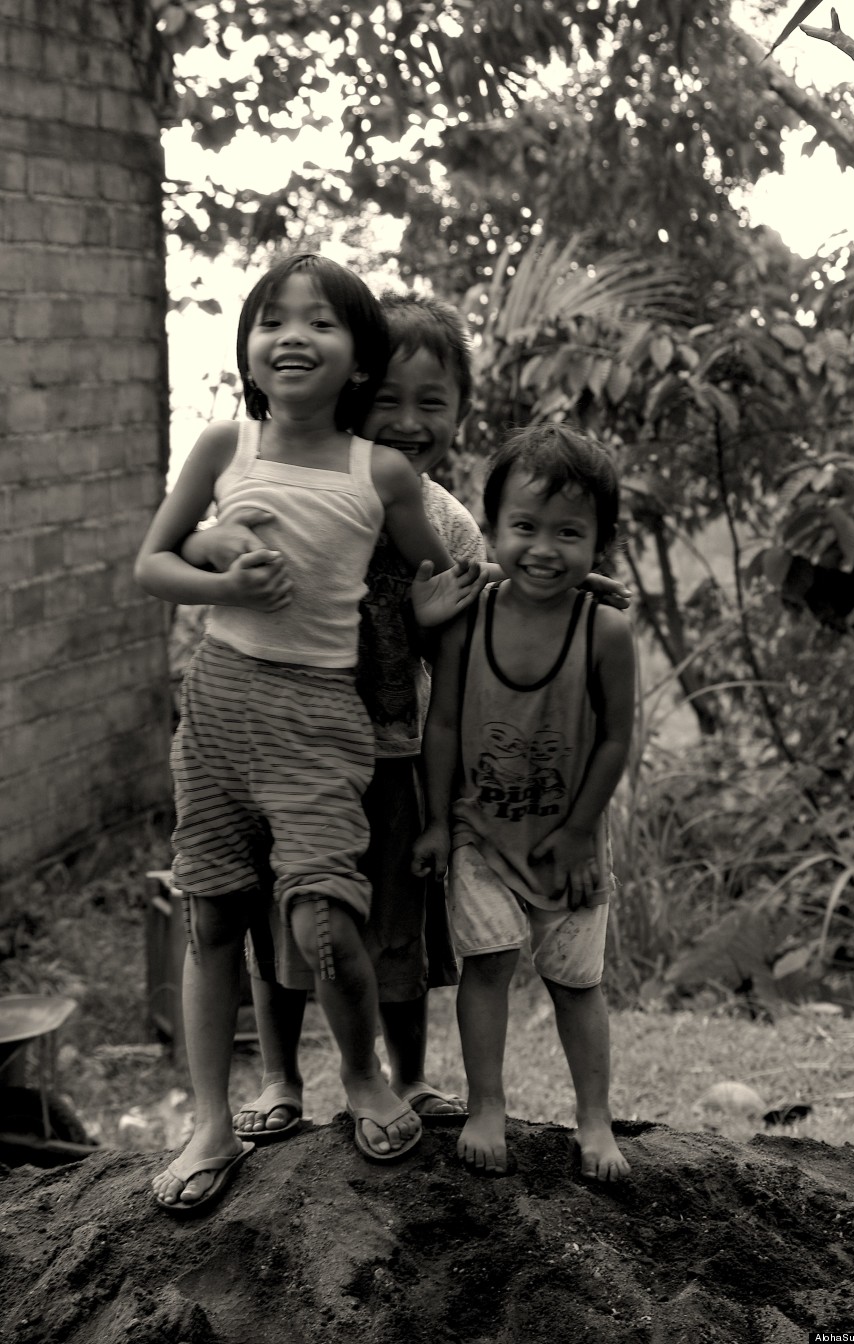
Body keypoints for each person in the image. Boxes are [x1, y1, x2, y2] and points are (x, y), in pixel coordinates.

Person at [183, 293, 631, 1147]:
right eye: (387, 398)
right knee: (287, 924)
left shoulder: (451, 521)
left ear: (463, 410)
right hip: (286, 740)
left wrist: (567, 584)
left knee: (392, 932)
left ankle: (410, 1077)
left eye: (433, 402)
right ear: (351, 388)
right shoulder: (308, 483)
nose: (408, 420)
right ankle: (281, 1077)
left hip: (390, 749)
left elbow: (481, 603)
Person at [135, 254, 480, 1213]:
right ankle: (212, 1121)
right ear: (248, 349)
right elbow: (153, 564)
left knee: (323, 918)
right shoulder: (221, 445)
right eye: (272, 320)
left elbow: (438, 581)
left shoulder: (386, 472)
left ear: (358, 360)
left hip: (325, 718)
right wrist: (217, 574)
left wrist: (489, 597)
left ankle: (364, 1076)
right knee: (210, 914)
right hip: (217, 705)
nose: (294, 335)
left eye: (322, 322)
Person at [412, 423, 635, 1182]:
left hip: (567, 846)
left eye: (569, 532)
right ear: (493, 529)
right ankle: (486, 1104)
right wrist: (438, 822)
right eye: (525, 527)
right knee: (488, 963)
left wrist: (579, 832)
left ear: (599, 541)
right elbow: (440, 722)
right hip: (481, 835)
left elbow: (614, 740)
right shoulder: (467, 619)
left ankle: (596, 1118)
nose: (545, 548)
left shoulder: (604, 630)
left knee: (578, 984)